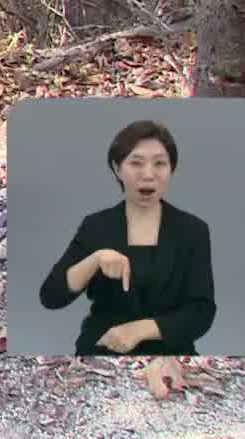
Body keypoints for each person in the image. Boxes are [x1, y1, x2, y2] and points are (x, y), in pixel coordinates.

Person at [38, 119, 216, 356]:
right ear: (116, 168)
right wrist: (95, 260)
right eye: (136, 163)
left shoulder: (193, 230)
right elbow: (51, 296)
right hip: (101, 351)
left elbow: (201, 311)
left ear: (171, 169)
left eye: (160, 164)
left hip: (171, 354)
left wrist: (140, 330)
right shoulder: (97, 226)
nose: (148, 175)